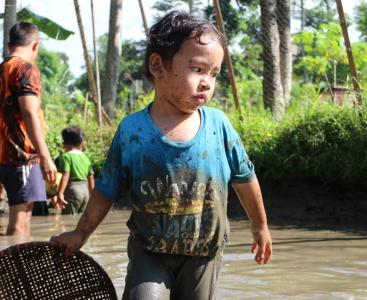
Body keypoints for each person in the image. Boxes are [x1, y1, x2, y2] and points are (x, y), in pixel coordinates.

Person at [50, 10, 272, 299]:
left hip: (203, 253)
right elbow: (107, 189)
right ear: (157, 66)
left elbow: (245, 179)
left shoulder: (219, 126)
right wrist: (81, 233)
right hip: (149, 252)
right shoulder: (133, 130)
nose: (207, 82)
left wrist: (260, 226)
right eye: (197, 69)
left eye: (214, 73)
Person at [0, 21, 57, 236]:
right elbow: (29, 113)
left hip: (3, 156)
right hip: (23, 155)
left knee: (20, 217)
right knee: (20, 222)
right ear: (35, 45)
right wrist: (46, 157)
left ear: (8, 45)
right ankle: (14, 269)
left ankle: (16, 266)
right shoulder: (26, 69)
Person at [56, 125, 94, 214]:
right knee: (83, 219)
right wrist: (92, 196)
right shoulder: (86, 158)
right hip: (85, 193)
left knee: (68, 219)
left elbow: (66, 175)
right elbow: (91, 178)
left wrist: (60, 193)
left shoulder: (66, 157)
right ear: (83, 143)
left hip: (72, 191)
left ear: (64, 144)